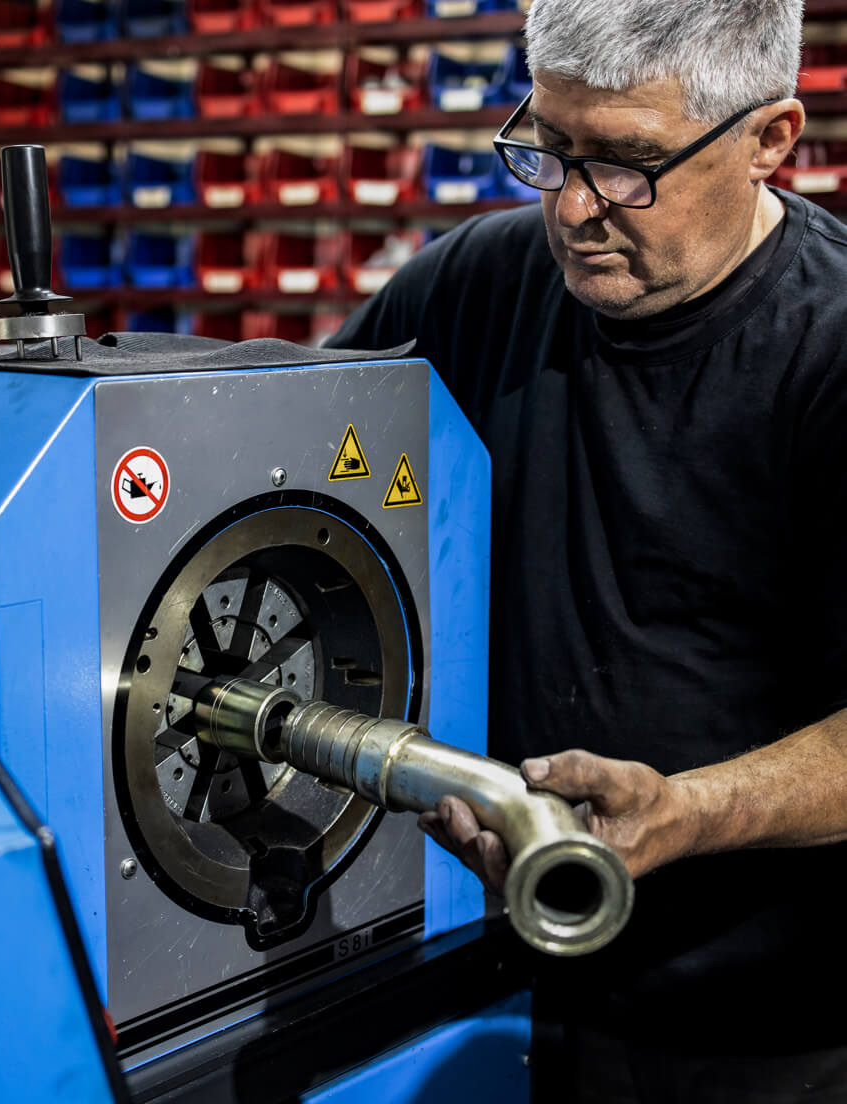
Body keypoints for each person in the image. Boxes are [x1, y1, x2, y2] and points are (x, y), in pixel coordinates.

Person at [327, 0, 847, 1099]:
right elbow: (273, 452)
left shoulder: (829, 349)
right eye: (551, 147)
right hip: (488, 979)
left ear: (771, 140)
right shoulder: (477, 280)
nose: (573, 208)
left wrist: (693, 810)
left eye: (627, 163)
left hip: (756, 1025)